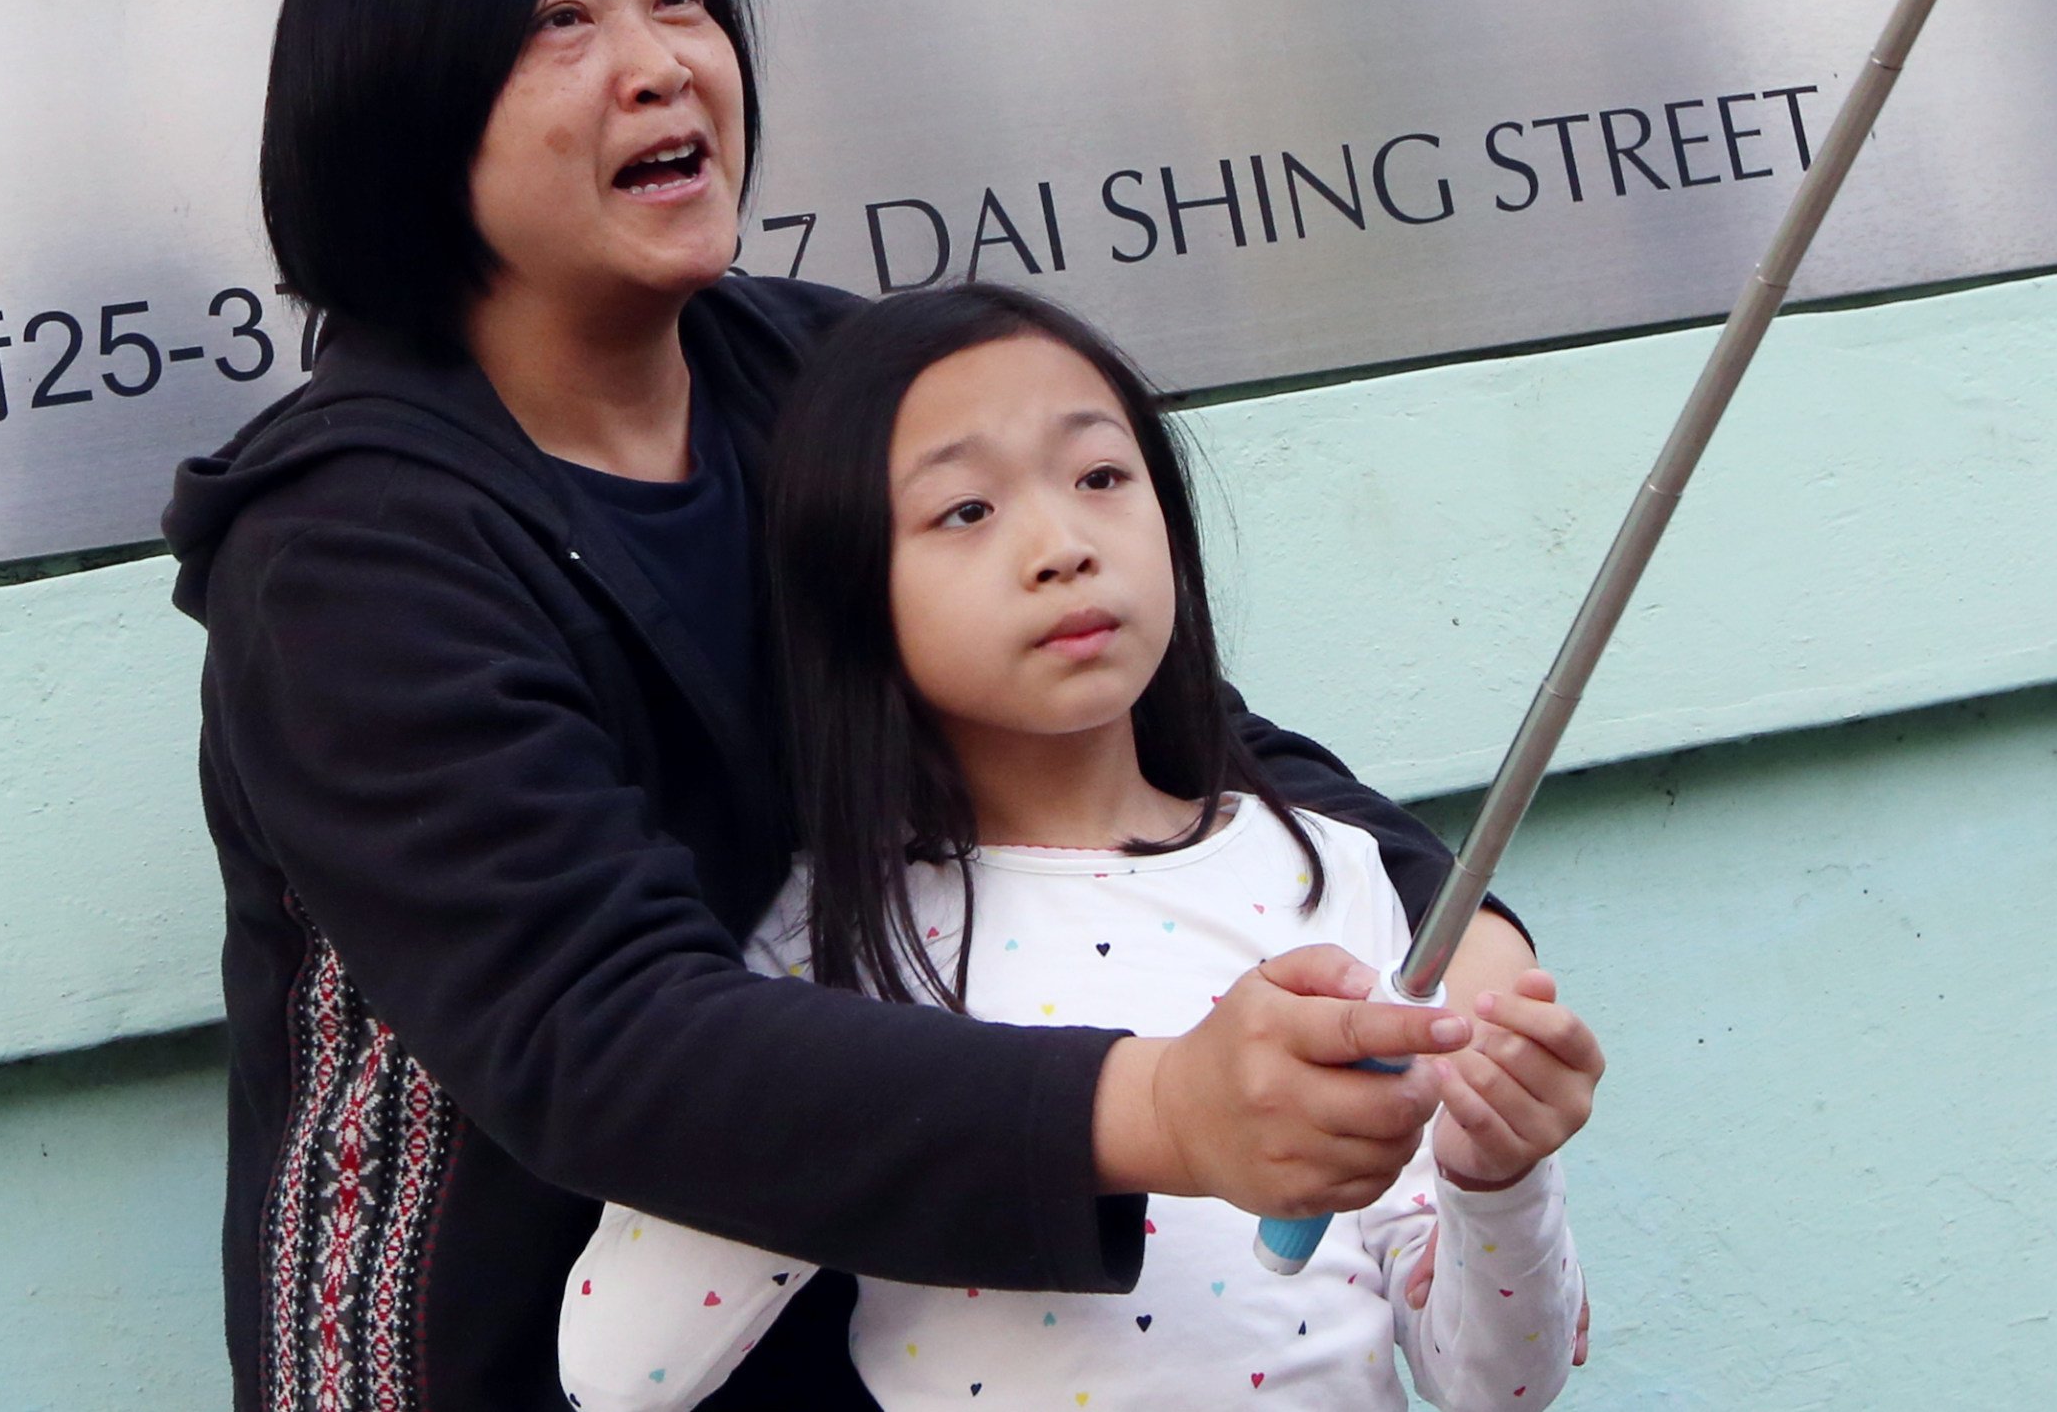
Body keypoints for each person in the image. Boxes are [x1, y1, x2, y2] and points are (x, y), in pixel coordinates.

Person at [164, 0, 1538, 1412]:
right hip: (493, 1358)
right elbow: (606, 1033)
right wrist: (1162, 1105)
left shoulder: (829, 386)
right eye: (560, 19)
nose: (660, 61)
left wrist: (1454, 931)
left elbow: (1150, 715)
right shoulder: (346, 555)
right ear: (405, 110)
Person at [556, 284, 1602, 1410]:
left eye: (1101, 475)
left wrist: (1498, 1177)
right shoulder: (829, 937)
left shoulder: (1325, 873)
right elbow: (618, 1370)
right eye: (965, 509)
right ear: (850, 590)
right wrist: (812, 1130)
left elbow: (1499, 1386)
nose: (1062, 545)